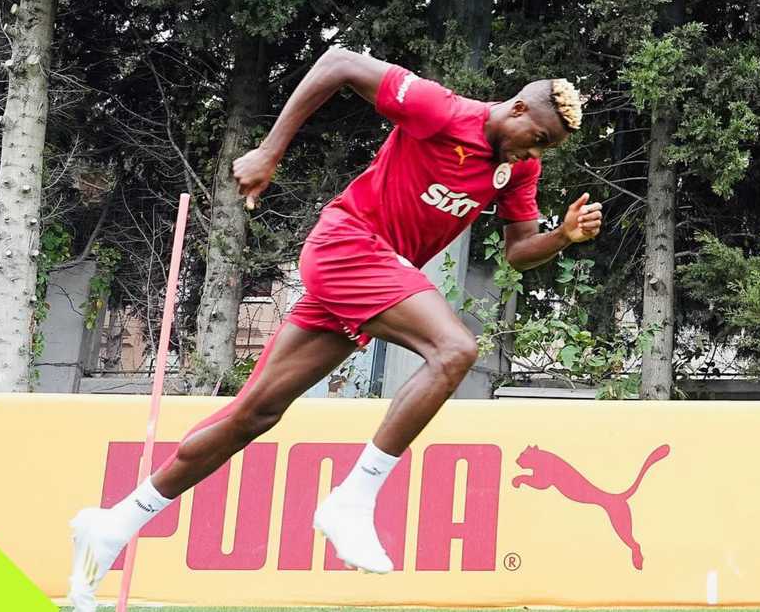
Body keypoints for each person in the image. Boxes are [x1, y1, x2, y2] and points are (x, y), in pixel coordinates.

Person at [68, 47, 601, 610]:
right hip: (349, 246)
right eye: (537, 137)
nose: (535, 151)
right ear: (517, 110)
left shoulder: (519, 169)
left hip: (371, 277)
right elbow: (338, 63)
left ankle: (112, 526)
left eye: (546, 148)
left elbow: (519, 253)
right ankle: (354, 498)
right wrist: (270, 152)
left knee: (254, 414)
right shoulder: (441, 110)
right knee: (454, 348)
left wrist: (562, 235)